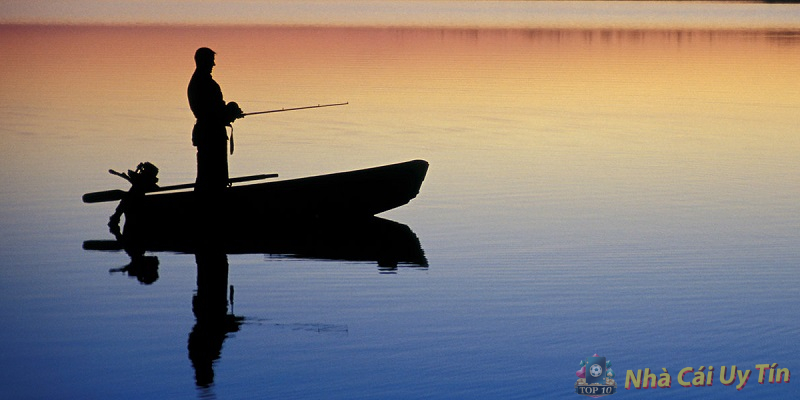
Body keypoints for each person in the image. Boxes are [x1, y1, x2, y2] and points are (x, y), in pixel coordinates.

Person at [187, 47, 243, 194]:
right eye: (211, 61)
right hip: (211, 135)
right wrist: (231, 113)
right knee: (212, 176)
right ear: (204, 62)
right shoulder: (204, 84)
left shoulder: (199, 82)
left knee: (208, 175)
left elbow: (214, 111)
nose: (213, 65)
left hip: (208, 133)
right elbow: (213, 112)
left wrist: (229, 113)